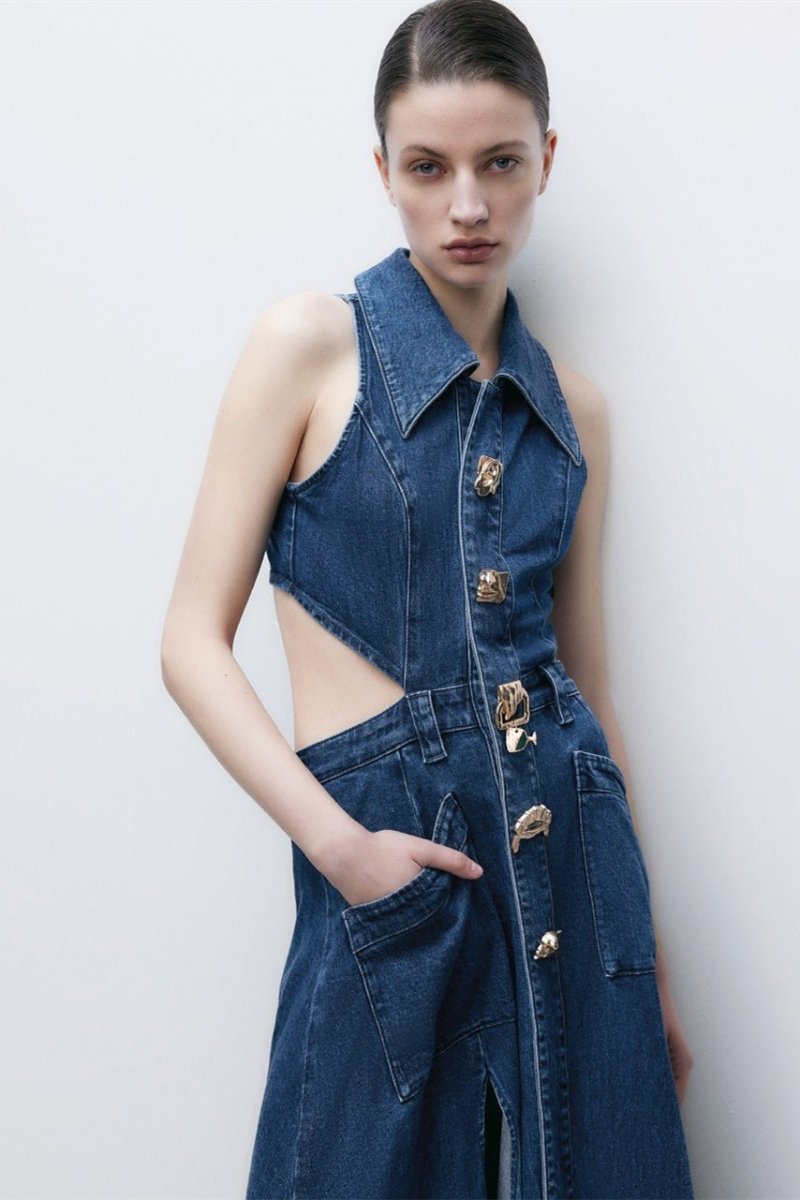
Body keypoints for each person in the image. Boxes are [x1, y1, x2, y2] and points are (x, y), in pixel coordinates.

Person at [161, 1, 695, 1196]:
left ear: (544, 160)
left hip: (577, 873)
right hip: (389, 863)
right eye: (427, 167)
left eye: (499, 163)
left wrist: (646, 956)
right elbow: (189, 641)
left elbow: (588, 689)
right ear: (382, 171)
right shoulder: (308, 345)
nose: (466, 205)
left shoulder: (575, 410)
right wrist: (341, 851)